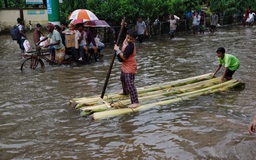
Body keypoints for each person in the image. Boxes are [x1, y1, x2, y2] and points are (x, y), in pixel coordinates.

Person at [113, 29, 140, 108]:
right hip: (125, 65)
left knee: (130, 84)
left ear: (134, 39)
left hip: (130, 66)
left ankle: (135, 101)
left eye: (131, 39)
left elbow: (124, 57)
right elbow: (124, 31)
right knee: (122, 78)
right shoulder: (126, 39)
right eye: (127, 37)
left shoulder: (131, 46)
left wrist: (117, 51)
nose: (128, 40)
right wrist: (123, 25)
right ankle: (125, 92)